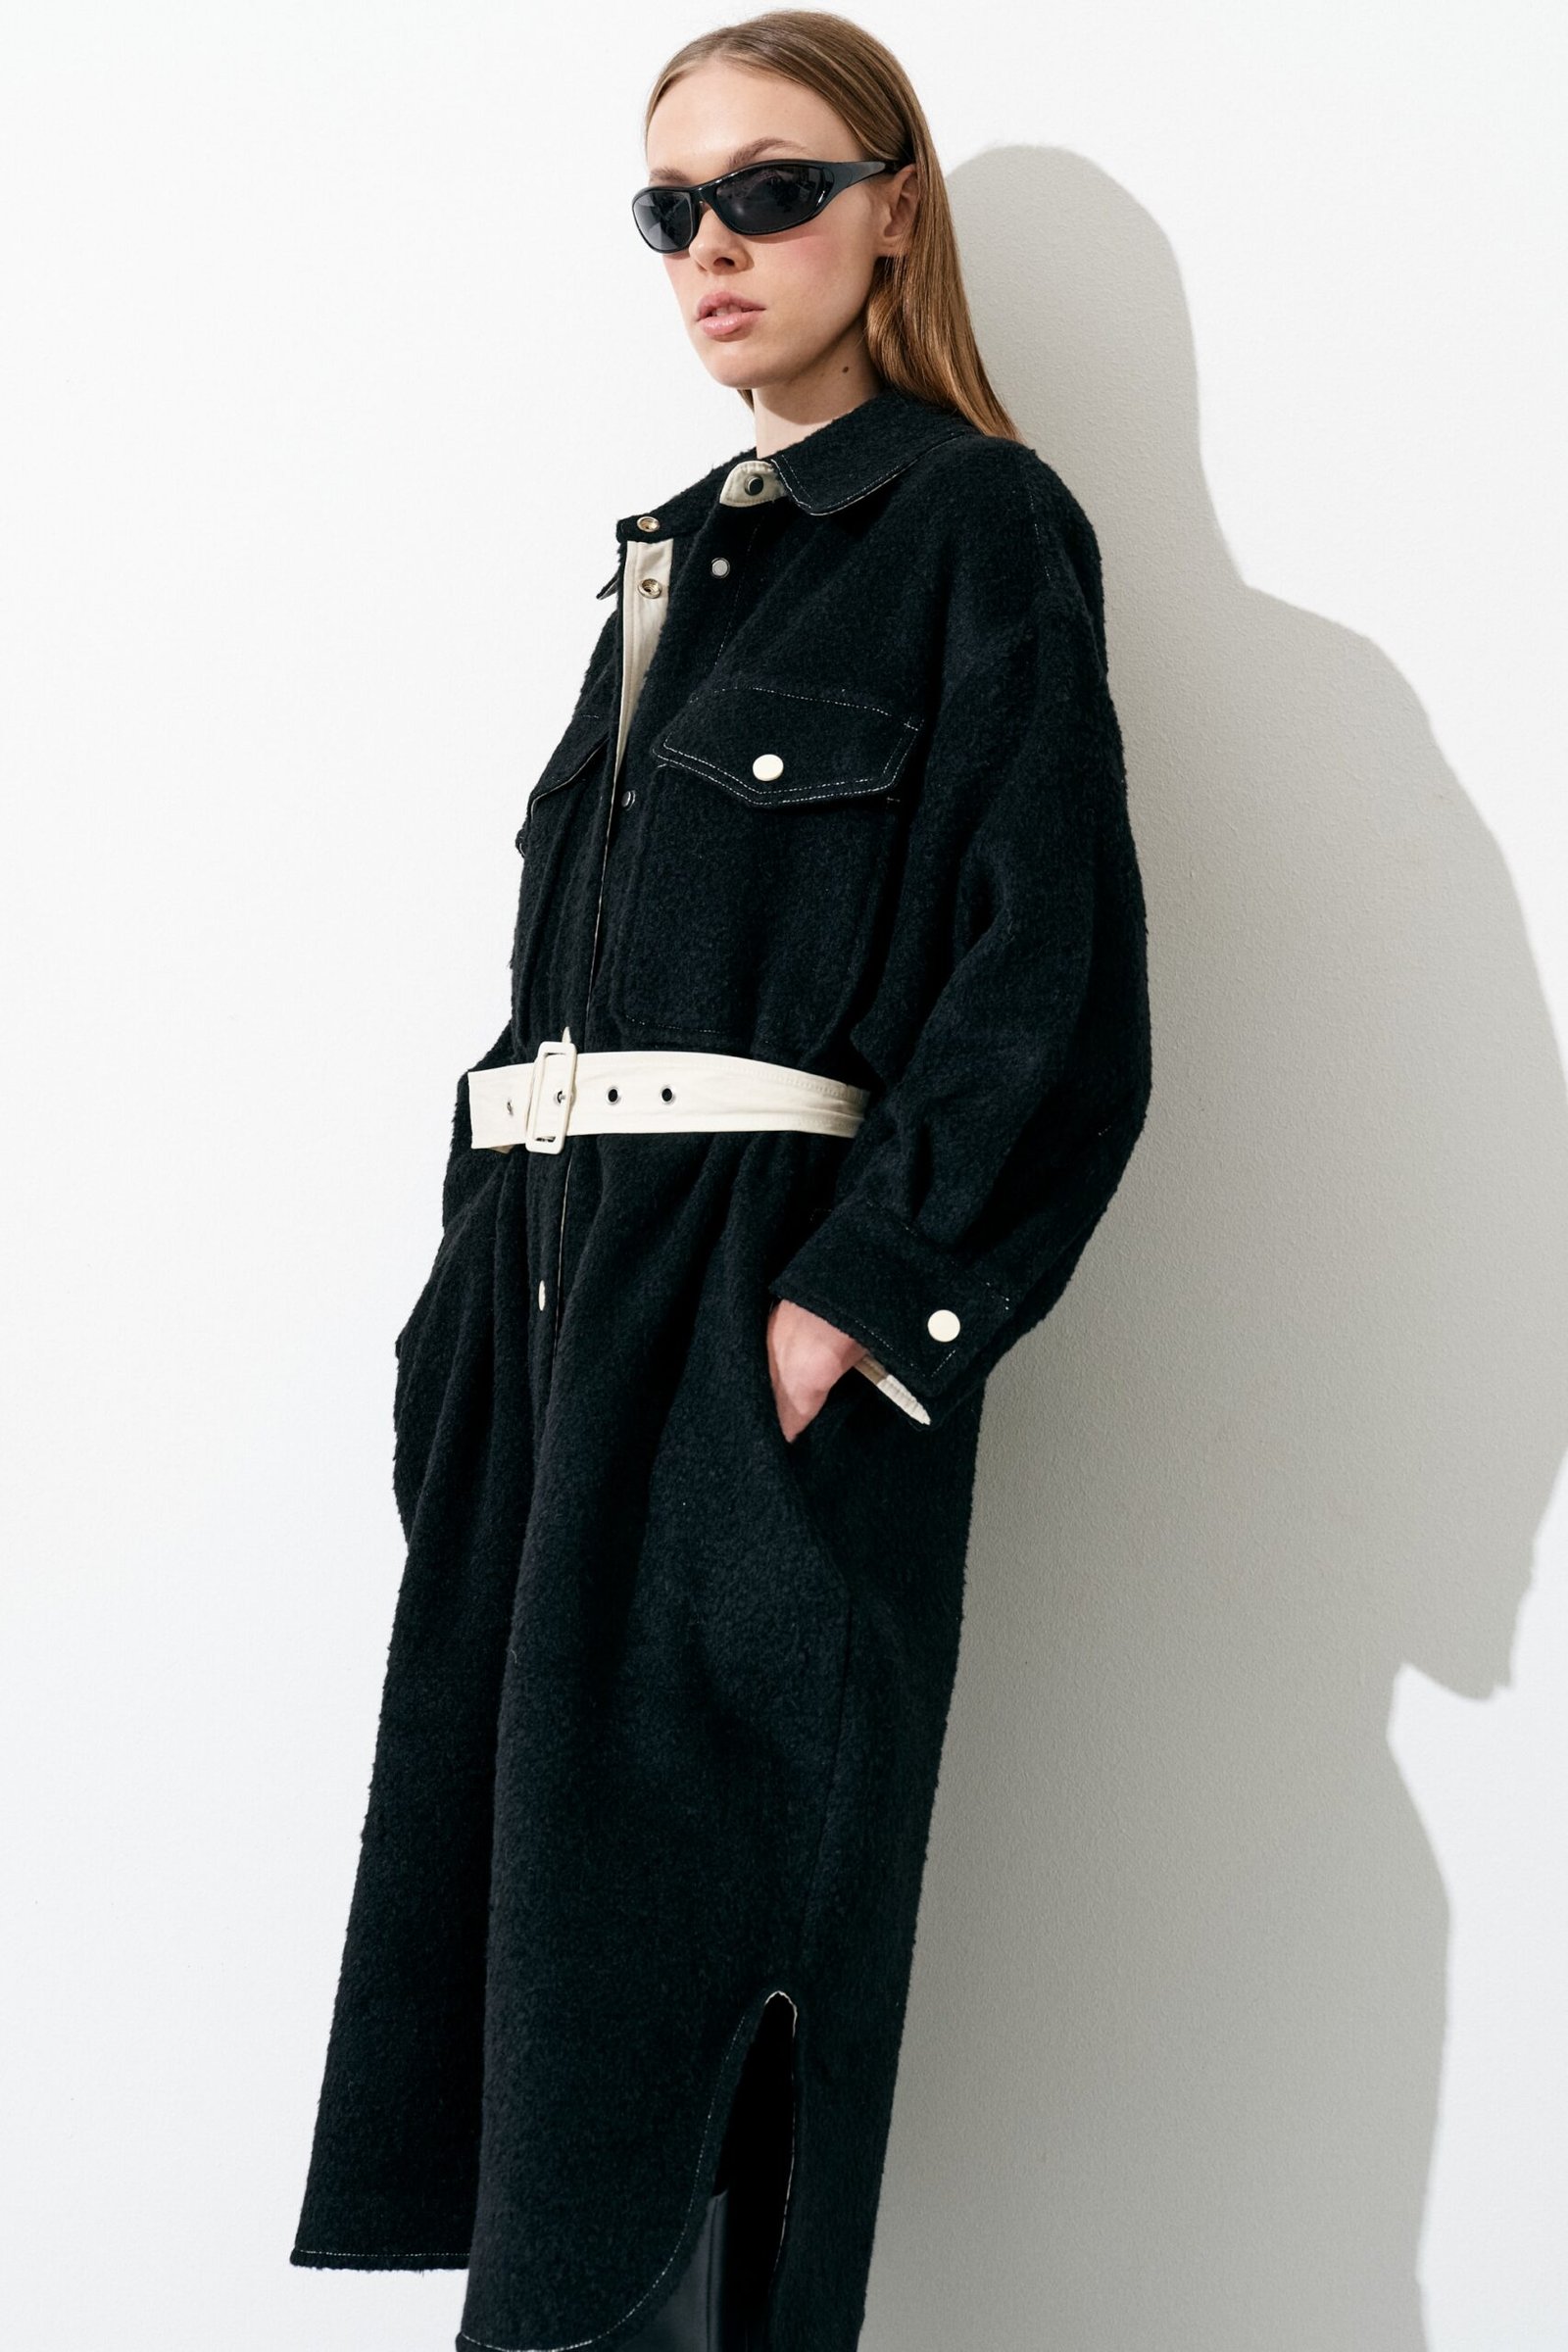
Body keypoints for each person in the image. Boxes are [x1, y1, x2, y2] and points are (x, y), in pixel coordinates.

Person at [289, 13, 1153, 2351]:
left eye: (770, 191)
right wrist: (458, 1326)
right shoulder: (672, 563)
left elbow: (1047, 980)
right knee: (529, 1990)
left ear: (891, 207)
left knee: (712, 1966)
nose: (712, 249)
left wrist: (860, 1300)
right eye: (668, 209)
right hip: (546, 1334)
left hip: (738, 1329)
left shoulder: (972, 525)